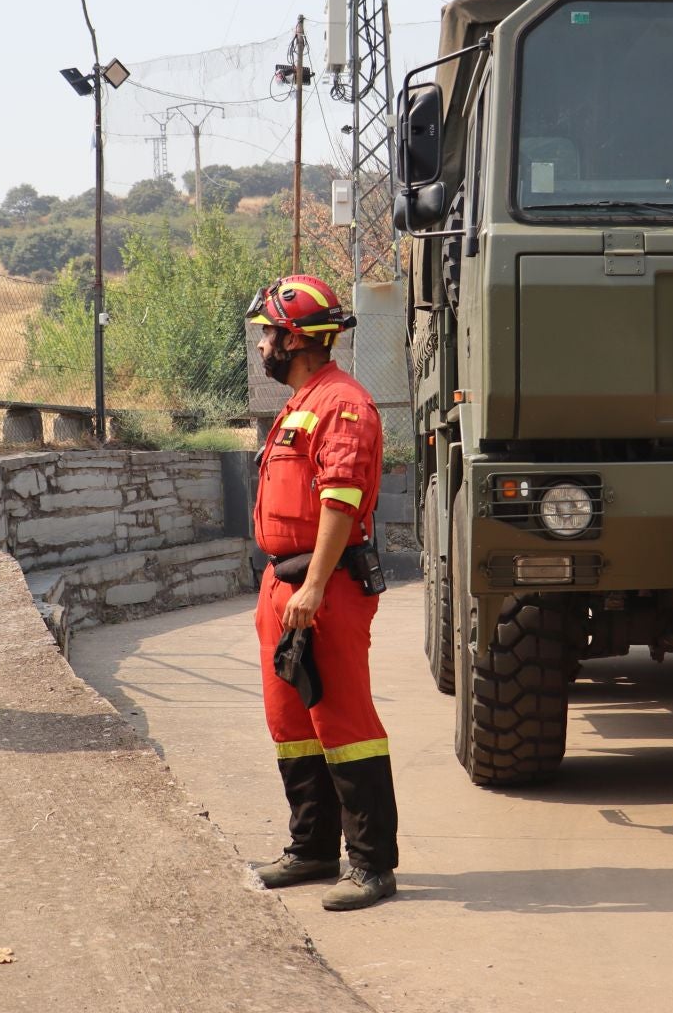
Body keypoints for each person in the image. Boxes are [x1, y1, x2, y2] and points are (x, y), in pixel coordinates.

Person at [246, 273, 398, 911]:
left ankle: (371, 866)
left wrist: (311, 585)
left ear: (296, 339)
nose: (262, 346)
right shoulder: (305, 398)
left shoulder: (341, 403)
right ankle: (312, 849)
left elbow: (341, 500)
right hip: (286, 584)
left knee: (344, 722)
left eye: (269, 335)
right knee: (292, 721)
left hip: (323, 587)